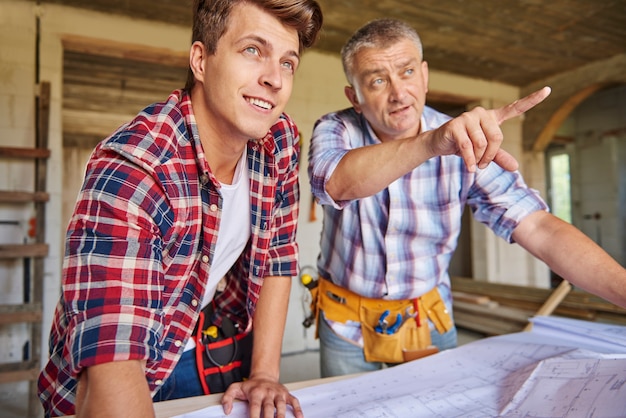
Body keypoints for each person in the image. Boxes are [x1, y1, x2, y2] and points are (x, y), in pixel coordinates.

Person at [37, 1, 322, 417]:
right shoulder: (134, 170)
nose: (275, 79)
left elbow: (277, 256)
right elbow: (113, 357)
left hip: (199, 352)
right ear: (201, 60)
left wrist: (264, 374)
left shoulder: (278, 141)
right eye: (252, 50)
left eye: (288, 62)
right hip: (109, 379)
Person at [307, 18, 626, 378]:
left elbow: (538, 227)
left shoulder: (463, 141)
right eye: (377, 81)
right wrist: (429, 144)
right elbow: (333, 184)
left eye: (407, 72)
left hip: (428, 318)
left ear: (425, 75)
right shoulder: (337, 127)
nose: (399, 93)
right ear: (355, 97)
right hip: (344, 323)